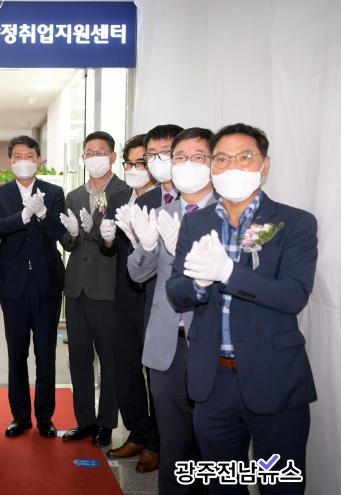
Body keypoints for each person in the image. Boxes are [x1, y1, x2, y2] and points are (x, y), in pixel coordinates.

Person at [166, 123, 317, 494]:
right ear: (212, 168)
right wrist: (199, 285)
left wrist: (229, 274)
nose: (232, 167)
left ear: (265, 164)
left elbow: (293, 296)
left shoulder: (294, 222)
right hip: (212, 380)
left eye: (244, 157)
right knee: (222, 485)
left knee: (280, 485)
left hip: (273, 377)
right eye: (222, 159)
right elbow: (176, 291)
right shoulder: (196, 222)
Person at [126, 127, 217, 492]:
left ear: (212, 163)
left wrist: (185, 251)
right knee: (172, 438)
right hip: (166, 340)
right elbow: (138, 273)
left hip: (209, 341)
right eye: (180, 158)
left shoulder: (229, 213)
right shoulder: (163, 212)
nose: (186, 165)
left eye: (198, 157)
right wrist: (147, 246)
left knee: (209, 440)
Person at [0, 135, 66, 438]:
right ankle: (20, 416)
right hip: (14, 284)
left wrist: (43, 214)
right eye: (18, 156)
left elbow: (59, 233)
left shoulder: (54, 192)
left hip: (46, 282)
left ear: (38, 160)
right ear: (10, 161)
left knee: (46, 354)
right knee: (16, 353)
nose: (24, 161)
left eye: (29, 156)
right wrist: (22, 216)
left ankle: (45, 416)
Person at [59, 131, 128, 447]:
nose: (94, 157)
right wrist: (73, 235)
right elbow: (68, 242)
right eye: (89, 152)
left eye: (101, 151)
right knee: (78, 357)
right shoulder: (73, 195)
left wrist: (102, 234)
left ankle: (106, 422)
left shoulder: (124, 193)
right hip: (76, 288)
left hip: (108, 287)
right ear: (83, 158)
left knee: (110, 359)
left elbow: (124, 241)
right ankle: (84, 420)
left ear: (112, 157)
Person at [98, 134, 160, 472]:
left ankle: (157, 443)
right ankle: (138, 432)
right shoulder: (120, 196)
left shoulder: (165, 199)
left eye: (142, 163)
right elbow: (112, 250)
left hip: (154, 299)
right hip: (123, 296)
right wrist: (108, 241)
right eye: (130, 163)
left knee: (156, 375)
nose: (135, 169)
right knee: (124, 370)